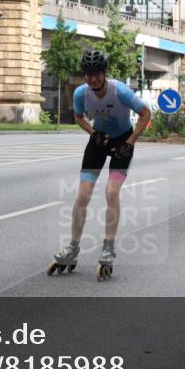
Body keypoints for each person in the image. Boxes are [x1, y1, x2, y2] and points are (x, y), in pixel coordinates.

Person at [47, 50, 152, 281]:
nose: (93, 79)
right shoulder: (81, 94)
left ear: (104, 73)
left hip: (122, 141)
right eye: (88, 75)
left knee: (111, 192)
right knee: (82, 195)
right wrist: (93, 133)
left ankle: (108, 248)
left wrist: (130, 142)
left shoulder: (120, 91)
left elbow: (146, 114)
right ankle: (73, 248)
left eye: (97, 74)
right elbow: (78, 116)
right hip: (98, 141)